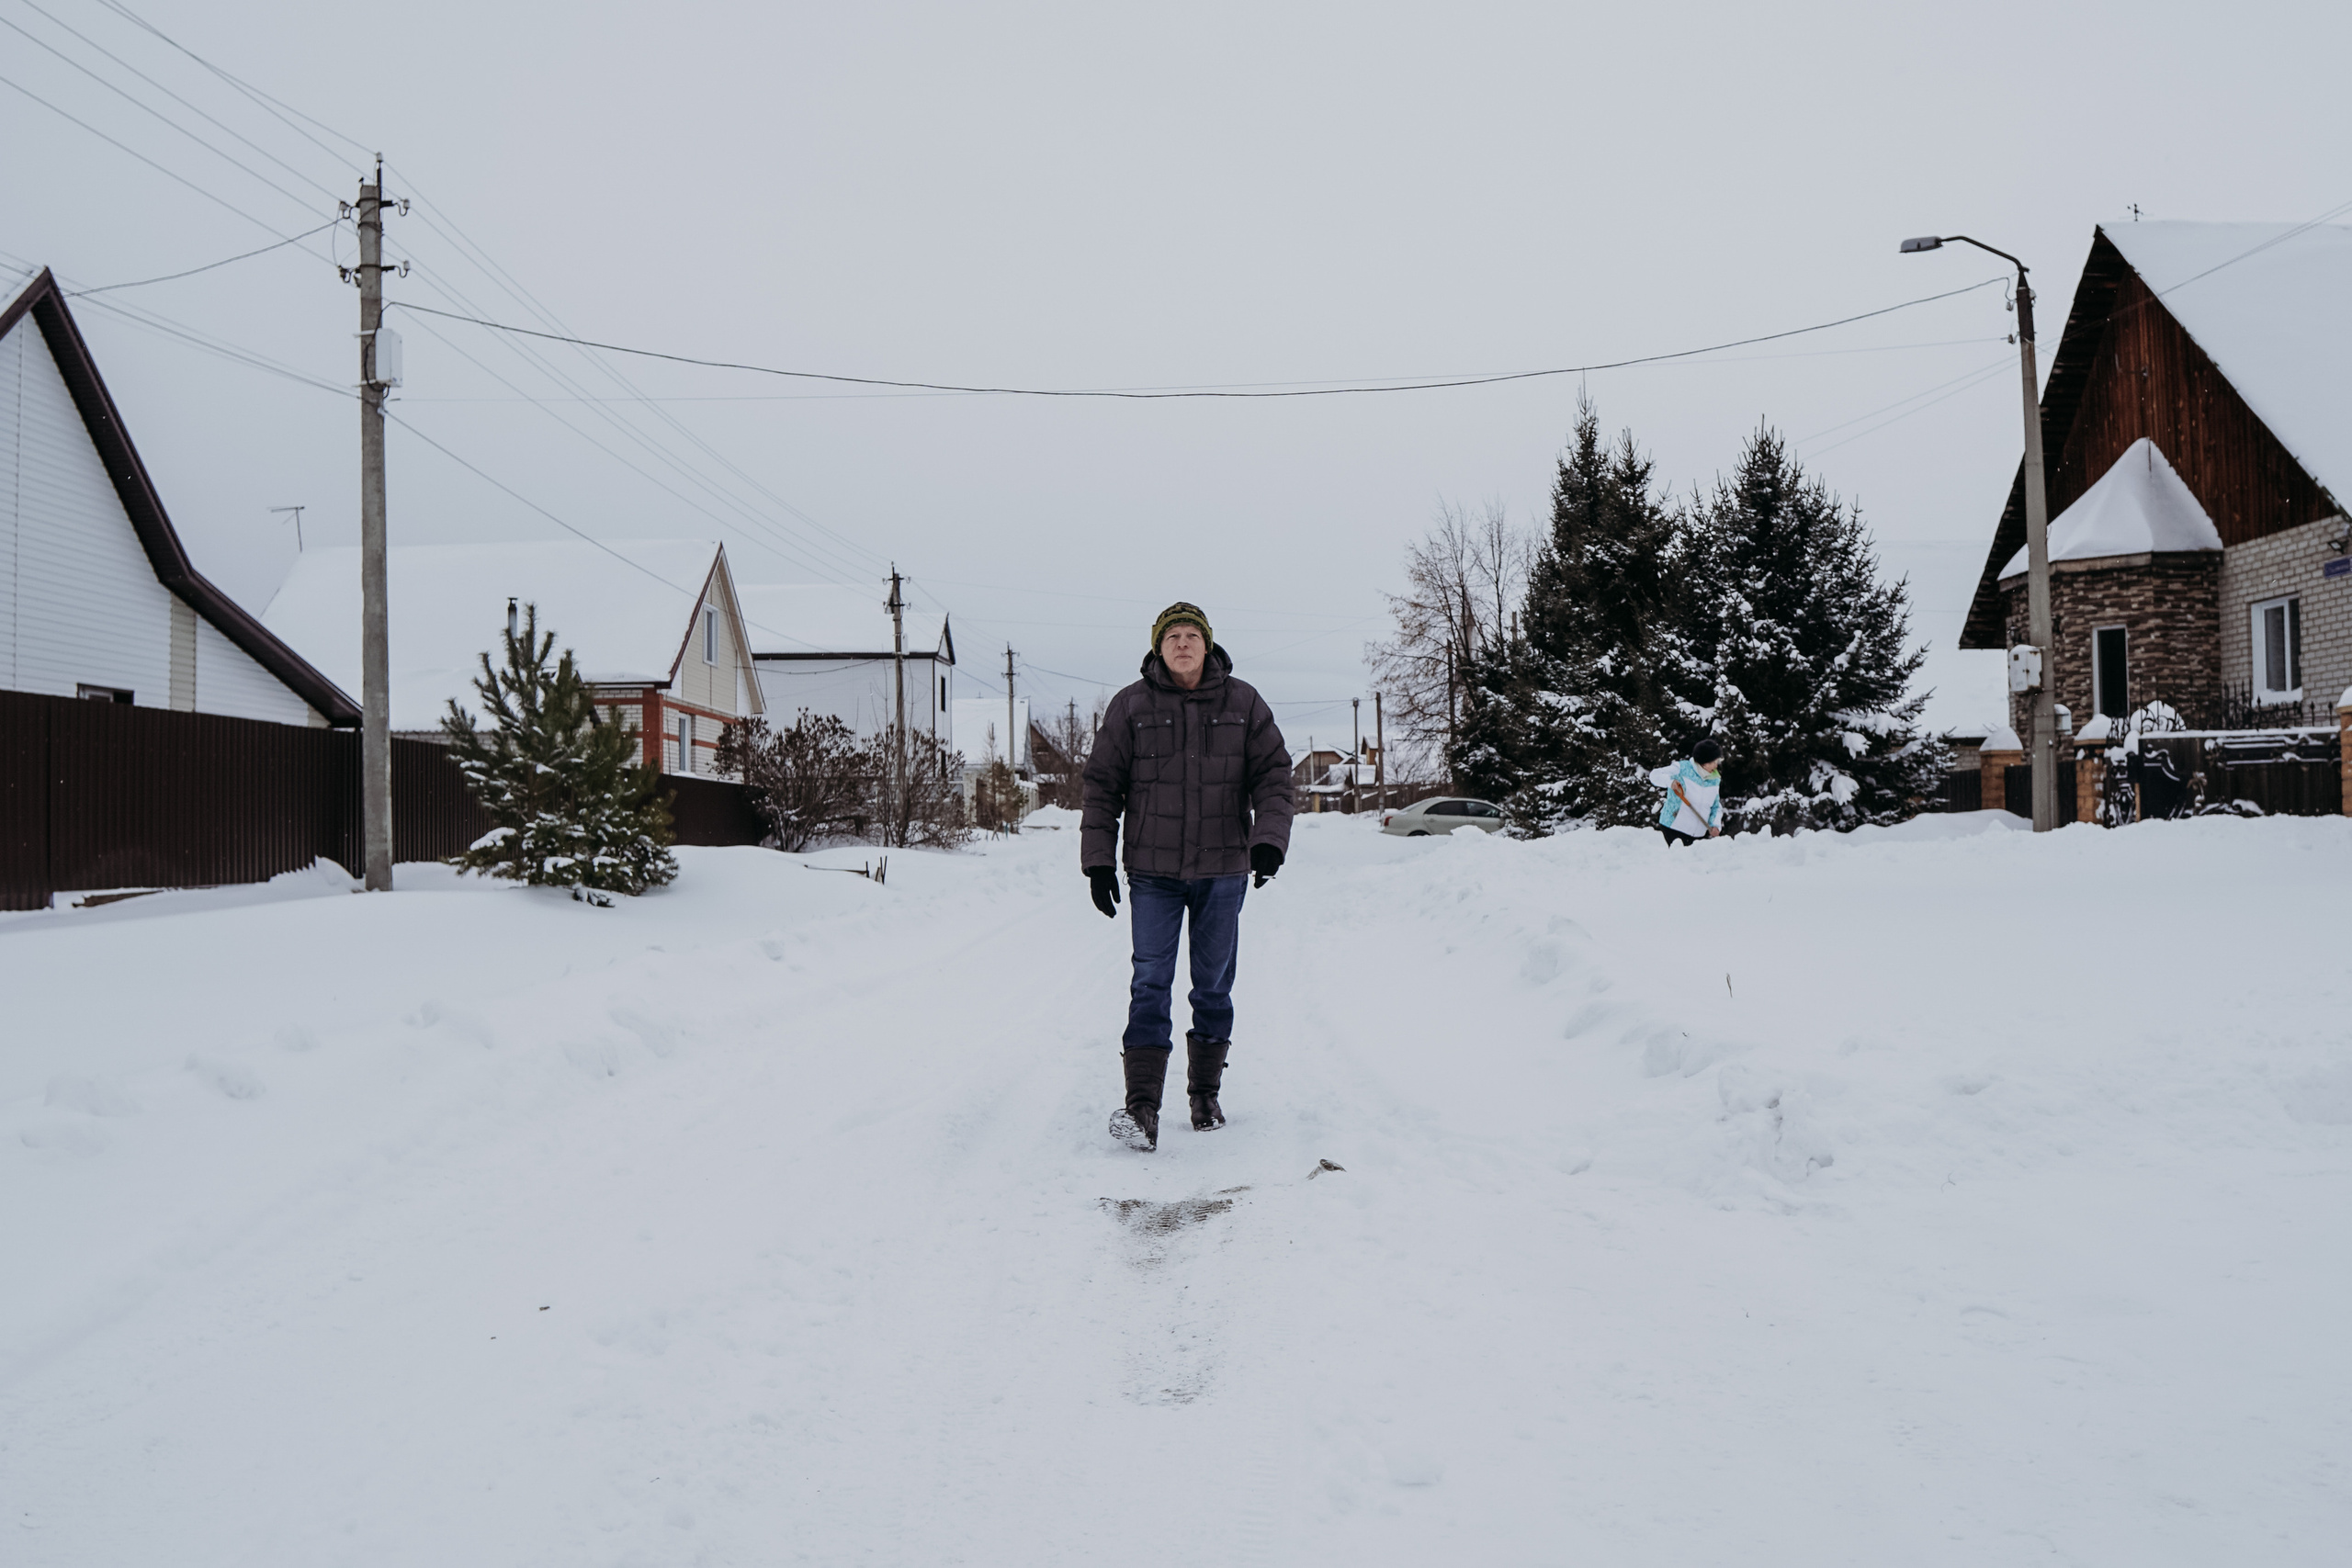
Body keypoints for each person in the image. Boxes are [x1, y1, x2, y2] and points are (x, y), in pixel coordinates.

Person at [1080, 602, 1294, 1151]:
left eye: (1190, 635)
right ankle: (1142, 1108)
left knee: (1213, 983)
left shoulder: (1243, 702)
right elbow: (1102, 784)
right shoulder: (1130, 705)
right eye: (1171, 635)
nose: (1181, 643)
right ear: (1158, 646)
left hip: (1223, 868)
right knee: (1150, 981)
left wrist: (1268, 840)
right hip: (1152, 871)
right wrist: (1098, 859)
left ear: (1207, 644)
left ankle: (1204, 1094)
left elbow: (1274, 774)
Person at [1657, 739, 1724, 846]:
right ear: (1704, 762)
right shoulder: (1682, 768)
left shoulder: (1714, 779)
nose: (1716, 766)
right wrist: (1670, 782)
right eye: (1714, 762)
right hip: (1673, 828)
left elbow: (1715, 806)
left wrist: (1715, 824)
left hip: (1698, 836)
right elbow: (1655, 775)